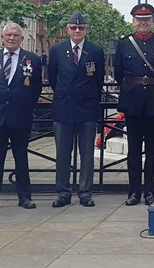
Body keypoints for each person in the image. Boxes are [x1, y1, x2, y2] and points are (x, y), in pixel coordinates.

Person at [0, 23, 43, 211]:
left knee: (21, 158)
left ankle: (25, 197)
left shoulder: (32, 60)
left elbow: (36, 88)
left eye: (15, 35)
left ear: (22, 39)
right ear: (2, 38)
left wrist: (25, 106)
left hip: (20, 116)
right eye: (8, 35)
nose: (12, 38)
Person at [114, 3, 154, 206]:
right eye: (139, 20)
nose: (143, 23)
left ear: (152, 21)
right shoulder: (124, 43)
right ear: (134, 21)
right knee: (133, 149)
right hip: (133, 101)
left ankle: (150, 189)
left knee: (152, 149)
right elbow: (118, 73)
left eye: (147, 19)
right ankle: (133, 191)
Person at [47, 12, 106, 208]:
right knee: (63, 153)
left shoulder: (95, 51)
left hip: (86, 108)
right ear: (67, 29)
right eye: (73, 27)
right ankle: (63, 192)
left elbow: (98, 81)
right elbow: (53, 77)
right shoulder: (58, 49)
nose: (77, 31)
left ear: (86, 29)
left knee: (87, 154)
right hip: (64, 108)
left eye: (81, 28)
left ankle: (85, 192)